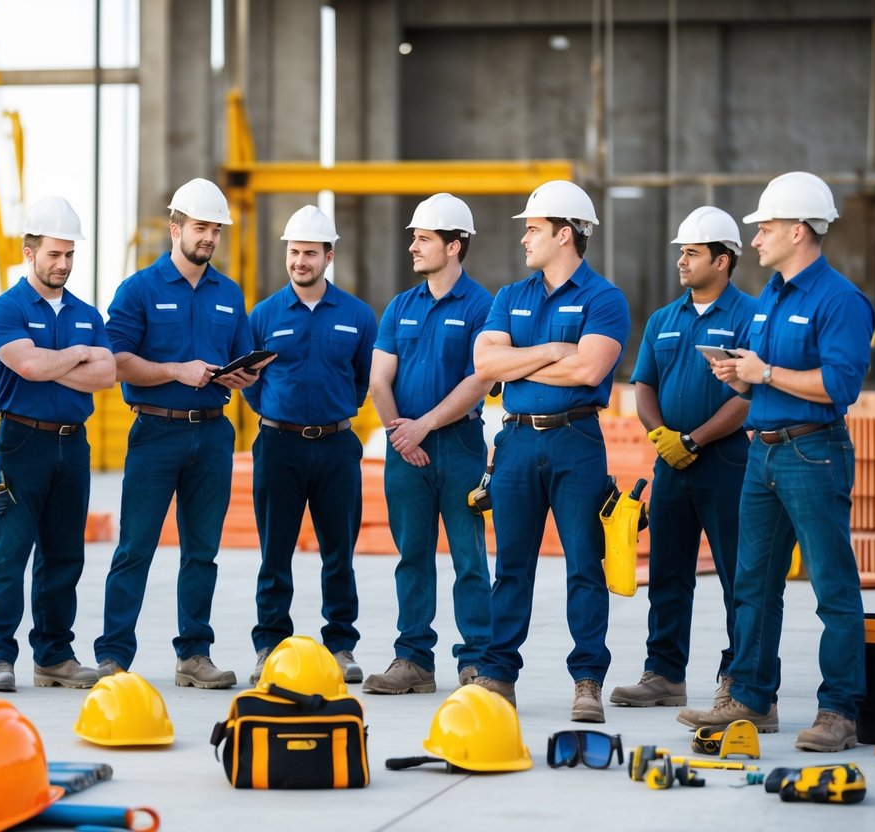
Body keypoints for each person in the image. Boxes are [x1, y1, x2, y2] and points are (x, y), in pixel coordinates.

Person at [678, 172, 874, 753]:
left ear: (798, 230)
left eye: (765, 228)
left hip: (813, 452)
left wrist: (764, 372)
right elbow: (767, 376)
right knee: (753, 584)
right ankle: (751, 698)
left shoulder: (840, 300)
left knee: (831, 584)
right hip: (762, 453)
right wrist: (741, 374)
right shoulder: (770, 296)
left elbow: (839, 385)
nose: (756, 239)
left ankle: (839, 710)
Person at [95, 178, 265, 689]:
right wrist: (176, 371)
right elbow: (116, 361)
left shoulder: (229, 293)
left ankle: (194, 654)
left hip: (212, 435)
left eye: (215, 229)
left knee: (202, 551)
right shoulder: (139, 290)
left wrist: (243, 376)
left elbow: (241, 357)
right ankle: (113, 655)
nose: (209, 237)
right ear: (176, 228)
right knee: (135, 547)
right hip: (156, 432)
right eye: (200, 227)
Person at [471, 180, 630, 723]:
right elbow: (486, 365)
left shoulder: (605, 299)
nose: (524, 238)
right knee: (511, 565)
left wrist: (520, 361)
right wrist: (556, 349)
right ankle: (497, 674)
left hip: (576, 441)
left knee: (585, 564)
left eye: (533, 228)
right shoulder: (509, 296)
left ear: (565, 234)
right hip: (516, 440)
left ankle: (587, 681)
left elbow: (590, 369)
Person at [609, 207, 754, 709]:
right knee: (668, 574)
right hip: (670, 464)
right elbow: (643, 385)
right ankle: (665, 674)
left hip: (729, 463)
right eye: (681, 252)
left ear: (723, 259)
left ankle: (738, 675)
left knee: (739, 576)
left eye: (692, 252)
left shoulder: (751, 317)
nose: (682, 261)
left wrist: (695, 440)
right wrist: (663, 437)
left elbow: (750, 396)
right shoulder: (663, 320)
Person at [0, 196, 116, 692]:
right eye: (54, 254)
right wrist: (77, 354)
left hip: (72, 446)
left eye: (70, 254)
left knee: (64, 554)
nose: (63, 264)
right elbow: (27, 365)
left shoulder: (86, 313)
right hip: (21, 443)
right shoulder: (6, 309)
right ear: (29, 252)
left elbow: (107, 374)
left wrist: (50, 363)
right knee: (8, 553)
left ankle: (54, 655)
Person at [362, 193, 494, 695]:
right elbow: (379, 380)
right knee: (412, 556)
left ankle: (477, 659)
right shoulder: (401, 306)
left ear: (454, 245)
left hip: (460, 446)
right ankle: (413, 659)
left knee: (469, 559)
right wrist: (402, 434)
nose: (413, 247)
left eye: (423, 239)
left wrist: (424, 427)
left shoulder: (483, 306)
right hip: (405, 450)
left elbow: (480, 379)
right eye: (414, 238)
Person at [242, 206, 377, 685]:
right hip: (278, 445)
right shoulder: (264, 315)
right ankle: (270, 646)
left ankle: (340, 645)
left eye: (310, 253)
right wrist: (275, 412)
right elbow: (251, 382)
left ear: (328, 256)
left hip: (337, 446)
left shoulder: (358, 316)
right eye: (294, 252)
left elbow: (363, 380)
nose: (300, 261)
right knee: (274, 553)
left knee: (339, 553)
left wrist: (333, 410)